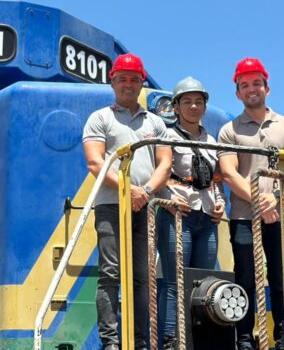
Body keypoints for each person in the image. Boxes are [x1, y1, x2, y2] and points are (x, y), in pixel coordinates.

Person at [83, 53, 173, 350]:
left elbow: (165, 163)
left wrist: (144, 192)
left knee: (144, 277)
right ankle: (110, 342)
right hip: (110, 206)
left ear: (142, 83)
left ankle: (142, 341)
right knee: (110, 273)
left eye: (134, 79)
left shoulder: (156, 123)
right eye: (123, 78)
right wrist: (127, 191)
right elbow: (95, 163)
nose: (129, 84)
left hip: (146, 207)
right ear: (113, 82)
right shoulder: (100, 118)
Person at [217, 58, 284, 350]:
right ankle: (244, 337)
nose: (251, 89)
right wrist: (260, 201)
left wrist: (276, 199)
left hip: (279, 217)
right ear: (237, 93)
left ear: (267, 87)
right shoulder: (229, 130)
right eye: (245, 85)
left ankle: (283, 336)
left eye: (256, 83)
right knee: (245, 278)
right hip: (243, 217)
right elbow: (228, 172)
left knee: (280, 278)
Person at [156, 77, 226, 349]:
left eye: (199, 101)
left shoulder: (212, 140)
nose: (193, 106)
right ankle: (172, 339)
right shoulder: (166, 135)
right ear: (176, 107)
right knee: (175, 281)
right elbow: (160, 172)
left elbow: (215, 179)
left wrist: (220, 204)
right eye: (187, 101)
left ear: (205, 106)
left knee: (203, 284)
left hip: (206, 217)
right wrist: (168, 202)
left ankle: (199, 340)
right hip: (177, 214)